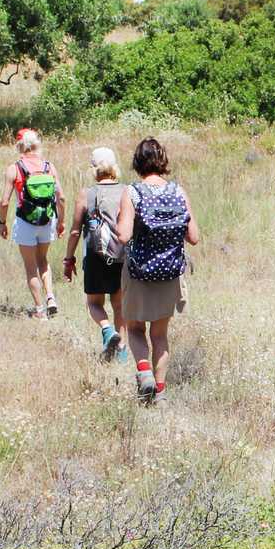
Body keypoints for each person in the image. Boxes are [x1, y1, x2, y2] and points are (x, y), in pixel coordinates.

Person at [113, 137, 200, 404]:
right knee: (160, 335)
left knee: (136, 329)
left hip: (139, 272)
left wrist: (118, 223)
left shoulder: (133, 192)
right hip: (170, 273)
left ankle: (145, 374)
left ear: (138, 162)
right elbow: (194, 237)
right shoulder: (178, 191)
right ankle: (159, 393)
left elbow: (125, 235)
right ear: (163, 160)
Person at [64, 145, 129, 361]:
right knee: (119, 305)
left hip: (95, 254)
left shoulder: (87, 194)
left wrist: (69, 259)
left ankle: (107, 330)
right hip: (121, 254)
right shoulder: (126, 191)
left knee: (94, 303)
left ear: (94, 169)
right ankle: (122, 354)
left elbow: (75, 231)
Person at [0, 128, 65, 318]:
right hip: (47, 220)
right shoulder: (49, 167)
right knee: (43, 261)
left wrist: (2, 223)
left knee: (30, 267)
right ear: (37, 145)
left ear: (20, 146)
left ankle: (39, 311)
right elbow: (62, 198)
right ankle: (51, 297)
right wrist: (61, 221)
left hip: (25, 222)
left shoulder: (14, 169)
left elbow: (4, 202)